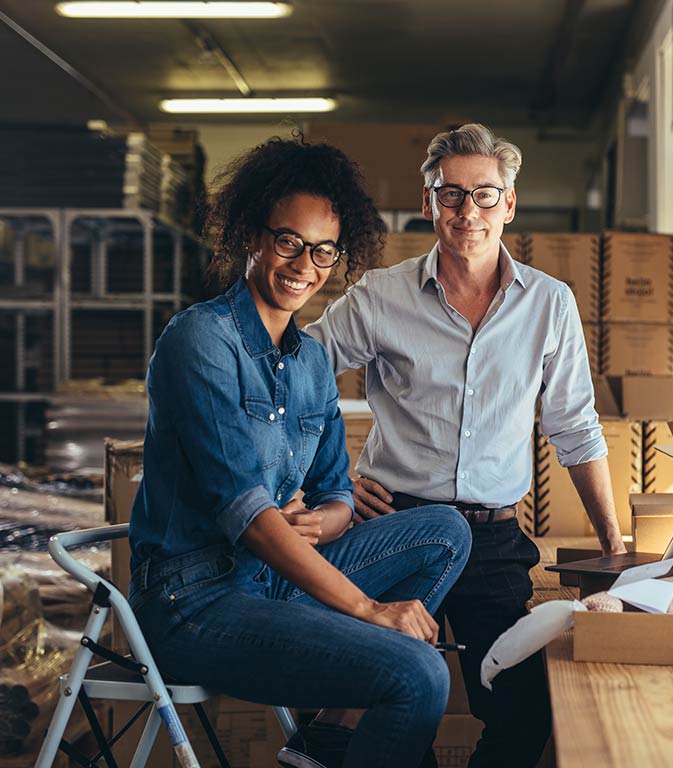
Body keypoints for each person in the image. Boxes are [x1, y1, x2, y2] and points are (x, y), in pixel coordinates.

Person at [127, 136, 472, 768]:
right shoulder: (200, 341)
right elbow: (249, 518)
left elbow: (337, 491)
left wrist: (325, 519)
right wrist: (371, 610)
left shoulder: (311, 359)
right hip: (194, 602)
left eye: (322, 250)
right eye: (288, 241)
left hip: (272, 582)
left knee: (446, 531)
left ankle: (327, 739)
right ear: (252, 235)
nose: (303, 264)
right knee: (419, 675)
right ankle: (337, 740)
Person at [305, 123, 627, 767]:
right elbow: (292, 375)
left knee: (526, 704)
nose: (467, 212)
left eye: (484, 195)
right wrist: (327, 484)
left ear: (509, 205)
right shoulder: (381, 296)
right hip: (395, 526)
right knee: (401, 703)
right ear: (428, 205)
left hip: (493, 537)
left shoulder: (550, 304)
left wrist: (615, 547)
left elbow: (575, 427)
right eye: (450, 195)